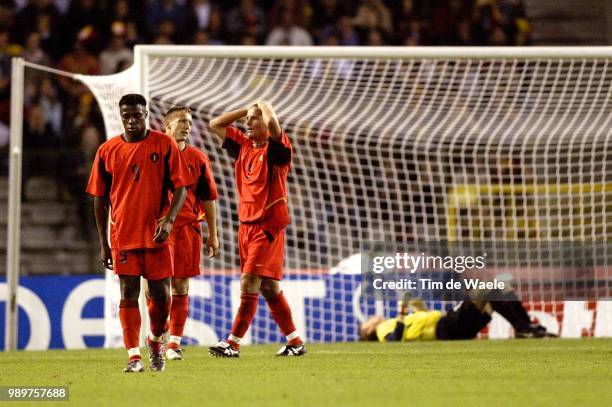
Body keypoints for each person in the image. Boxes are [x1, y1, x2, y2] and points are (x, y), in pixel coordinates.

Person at [86, 94, 191, 373]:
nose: (132, 120)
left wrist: (168, 220)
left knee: (162, 299)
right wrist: (104, 243)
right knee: (127, 292)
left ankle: (155, 340)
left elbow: (182, 186)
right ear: (121, 116)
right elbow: (99, 198)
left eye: (137, 115)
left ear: (146, 114)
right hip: (123, 236)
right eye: (127, 116)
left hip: (156, 236)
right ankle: (134, 356)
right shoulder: (107, 150)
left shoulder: (164, 144)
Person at [207, 101, 306, 357]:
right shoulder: (243, 146)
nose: (247, 123)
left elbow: (273, 124)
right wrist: (247, 109)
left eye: (253, 119)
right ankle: (295, 342)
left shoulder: (278, 151)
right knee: (269, 287)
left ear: (266, 123)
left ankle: (233, 343)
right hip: (246, 226)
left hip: (268, 225)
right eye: (247, 119)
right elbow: (215, 124)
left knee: (249, 280)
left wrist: (266, 106)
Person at [161, 106, 220, 361]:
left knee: (181, 285)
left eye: (189, 122)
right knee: (157, 288)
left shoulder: (198, 157)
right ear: (167, 127)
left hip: (187, 229)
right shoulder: (156, 155)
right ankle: (157, 336)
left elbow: (208, 198)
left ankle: (173, 343)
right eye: (181, 122)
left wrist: (213, 234)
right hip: (160, 230)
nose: (187, 126)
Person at [359, 290, 556, 342]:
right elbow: (395, 340)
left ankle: (525, 327)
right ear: (369, 330)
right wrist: (402, 312)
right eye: (368, 322)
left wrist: (418, 307)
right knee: (491, 287)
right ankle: (524, 327)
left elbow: (424, 323)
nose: (372, 318)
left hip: (450, 328)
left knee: (497, 294)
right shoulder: (383, 330)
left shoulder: (391, 323)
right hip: (447, 326)